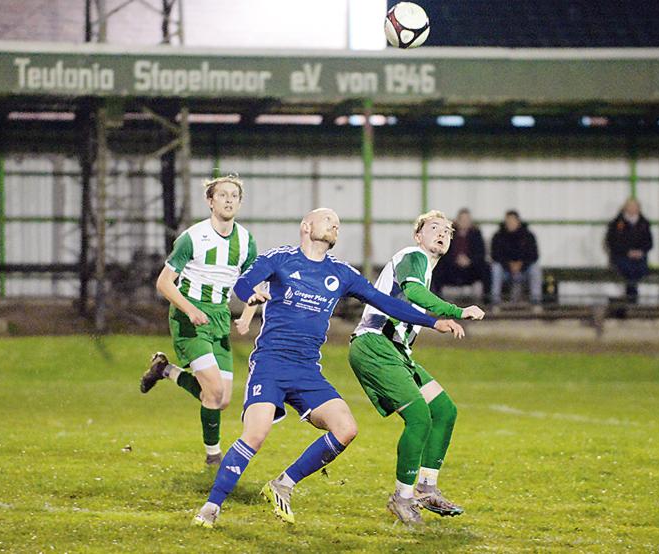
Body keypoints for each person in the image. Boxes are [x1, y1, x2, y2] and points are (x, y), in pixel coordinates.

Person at [191, 208, 465, 528]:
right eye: (327, 220)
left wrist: (433, 322)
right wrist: (251, 293)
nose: (334, 224)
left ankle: (283, 484)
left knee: (346, 428)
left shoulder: (341, 272)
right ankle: (211, 507)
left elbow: (385, 301)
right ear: (306, 225)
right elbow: (243, 284)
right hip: (272, 363)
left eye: (337, 223)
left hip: (308, 369)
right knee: (256, 434)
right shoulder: (281, 258)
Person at [350, 210, 485, 524]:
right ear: (418, 236)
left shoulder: (426, 268)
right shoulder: (413, 256)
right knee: (419, 417)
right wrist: (456, 311)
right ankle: (403, 497)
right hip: (375, 345)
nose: (441, 233)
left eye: (447, 231)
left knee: (444, 410)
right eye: (433, 228)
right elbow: (413, 293)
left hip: (396, 351)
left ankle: (425, 487)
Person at [139, 175, 258, 466]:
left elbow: (254, 284)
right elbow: (164, 283)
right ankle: (213, 456)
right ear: (210, 201)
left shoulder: (246, 241)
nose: (229, 200)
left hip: (218, 316)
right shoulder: (192, 237)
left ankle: (165, 370)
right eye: (222, 195)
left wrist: (246, 314)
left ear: (240, 203)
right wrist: (190, 309)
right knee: (214, 392)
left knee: (223, 399)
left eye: (234, 196)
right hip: (188, 316)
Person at [432, 208, 490, 302]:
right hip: (452, 267)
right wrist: (456, 259)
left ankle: (487, 301)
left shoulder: (476, 234)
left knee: (486, 267)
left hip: (471, 268)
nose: (464, 222)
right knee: (437, 266)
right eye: (462, 220)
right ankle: (437, 300)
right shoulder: (447, 234)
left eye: (467, 220)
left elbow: (481, 253)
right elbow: (442, 251)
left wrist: (469, 260)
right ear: (457, 221)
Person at [490, 210, 542, 307]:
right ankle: (495, 302)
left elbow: (534, 255)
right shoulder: (498, 236)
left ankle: (536, 302)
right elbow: (495, 255)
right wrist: (509, 265)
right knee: (495, 268)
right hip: (505, 272)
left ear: (518, 221)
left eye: (513, 220)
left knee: (535, 268)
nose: (511, 223)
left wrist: (521, 265)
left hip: (524, 271)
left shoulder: (528, 236)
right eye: (508, 221)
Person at [606, 197, 653, 304]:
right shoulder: (616, 224)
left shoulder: (644, 224)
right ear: (625, 208)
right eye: (629, 207)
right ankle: (632, 300)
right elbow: (612, 243)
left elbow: (649, 243)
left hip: (639, 259)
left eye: (634, 207)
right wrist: (627, 252)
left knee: (636, 270)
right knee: (629, 270)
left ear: (639, 208)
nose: (632, 209)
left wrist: (640, 251)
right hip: (621, 258)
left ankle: (630, 300)